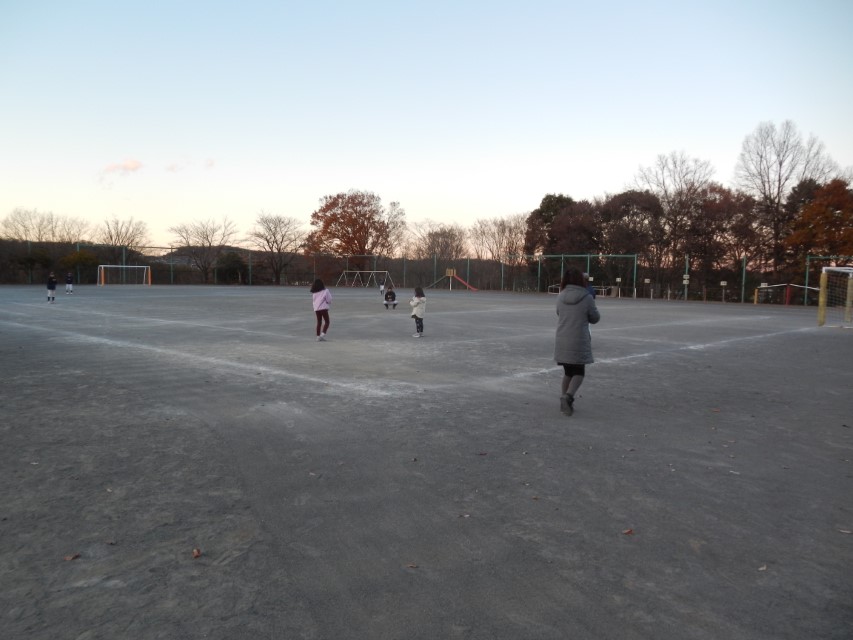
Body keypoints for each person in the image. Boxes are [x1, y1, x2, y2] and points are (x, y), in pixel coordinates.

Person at [555, 267, 600, 416]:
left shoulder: (560, 296)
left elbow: (558, 312)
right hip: (578, 339)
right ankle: (567, 397)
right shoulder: (586, 297)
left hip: (562, 338)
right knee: (579, 372)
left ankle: (564, 399)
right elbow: (595, 318)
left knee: (568, 372)